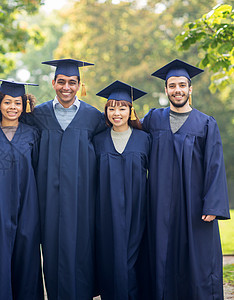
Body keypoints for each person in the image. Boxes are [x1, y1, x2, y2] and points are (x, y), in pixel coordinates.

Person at [143, 59, 230, 299]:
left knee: (199, 262)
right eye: (172, 85)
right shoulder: (153, 119)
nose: (177, 90)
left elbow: (214, 164)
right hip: (160, 206)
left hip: (195, 207)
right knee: (162, 257)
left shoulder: (205, 123)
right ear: (166, 89)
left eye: (182, 85)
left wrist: (212, 205)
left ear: (190, 89)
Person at [25, 59, 106, 299]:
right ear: (53, 83)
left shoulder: (93, 117)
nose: (66, 87)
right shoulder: (38, 115)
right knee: (51, 254)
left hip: (82, 202)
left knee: (81, 253)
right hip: (47, 200)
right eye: (61, 82)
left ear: (80, 85)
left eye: (72, 82)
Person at [0, 78, 43, 300]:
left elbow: (37, 167)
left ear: (24, 105)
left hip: (26, 204)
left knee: (26, 256)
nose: (12, 108)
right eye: (8, 102)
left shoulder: (32, 134)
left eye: (17, 103)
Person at [93, 80, 150, 300]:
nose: (117, 112)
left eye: (122, 107)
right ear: (106, 111)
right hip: (106, 213)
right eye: (111, 107)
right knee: (111, 260)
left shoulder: (145, 140)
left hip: (138, 212)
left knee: (133, 261)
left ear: (131, 110)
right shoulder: (97, 141)